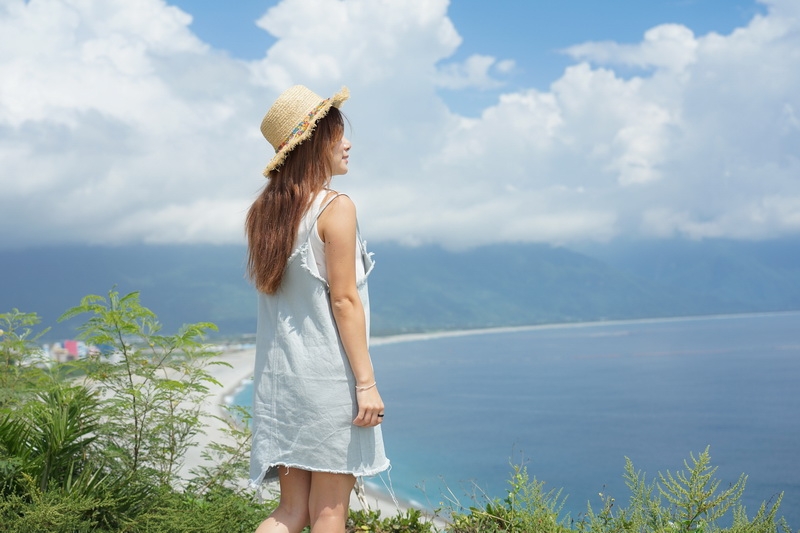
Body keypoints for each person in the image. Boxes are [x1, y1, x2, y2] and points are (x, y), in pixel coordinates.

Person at [245, 85, 390, 533]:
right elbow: (344, 300)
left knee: (289, 513)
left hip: (281, 387)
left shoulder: (265, 213)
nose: (347, 144)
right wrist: (366, 384)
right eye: (337, 135)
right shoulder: (336, 208)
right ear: (312, 145)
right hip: (328, 384)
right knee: (329, 515)